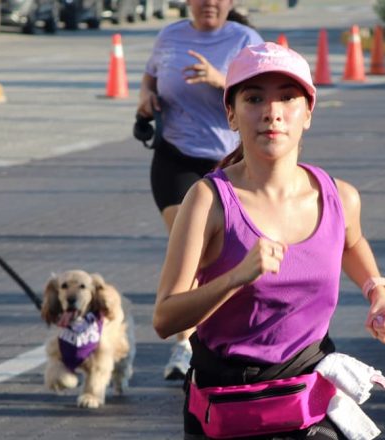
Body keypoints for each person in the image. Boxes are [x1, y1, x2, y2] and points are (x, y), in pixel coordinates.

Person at [152, 42, 385, 439]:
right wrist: (237, 277)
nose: (272, 112)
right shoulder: (208, 201)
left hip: (306, 401)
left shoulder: (340, 197)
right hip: (228, 406)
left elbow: (351, 243)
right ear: (231, 114)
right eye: (254, 98)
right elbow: (165, 318)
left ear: (308, 114)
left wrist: (377, 291)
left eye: (288, 98)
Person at [137, 0, 263, 380]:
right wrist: (146, 98)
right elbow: (150, 78)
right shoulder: (170, 35)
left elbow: (261, 93)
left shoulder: (245, 39)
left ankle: (225, 335)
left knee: (214, 256)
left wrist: (218, 78)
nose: (209, 3)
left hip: (228, 164)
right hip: (175, 156)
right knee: (188, 248)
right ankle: (184, 346)